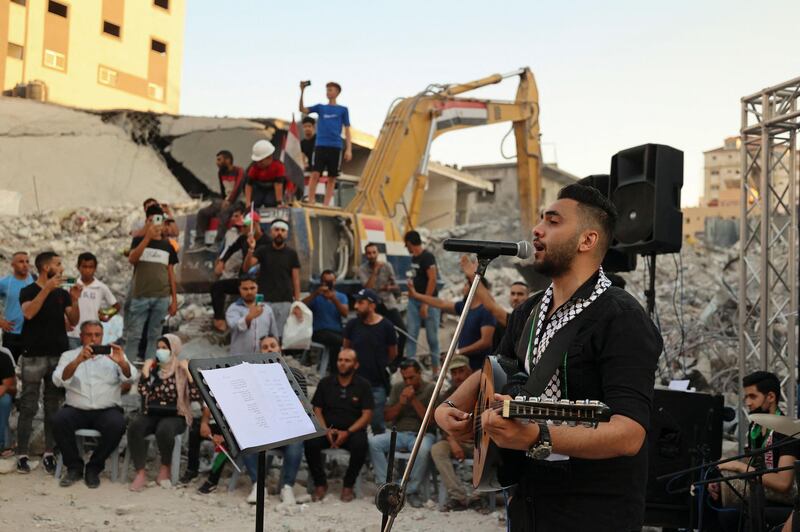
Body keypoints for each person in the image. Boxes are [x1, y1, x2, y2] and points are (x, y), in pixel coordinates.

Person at [435, 184, 662, 532]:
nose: (537, 229)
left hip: (593, 511)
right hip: (529, 501)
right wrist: (449, 406)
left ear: (587, 240)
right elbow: (498, 367)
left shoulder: (622, 317)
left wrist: (536, 436)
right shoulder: (529, 309)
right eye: (540, 219)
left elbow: (628, 434)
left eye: (553, 222)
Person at [709, 371, 800, 531]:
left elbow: (784, 483)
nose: (748, 403)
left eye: (753, 396)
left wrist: (739, 467)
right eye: (746, 397)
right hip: (760, 495)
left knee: (730, 516)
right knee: (708, 497)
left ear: (771, 397)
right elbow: (752, 466)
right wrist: (722, 483)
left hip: (782, 502)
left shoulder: (787, 431)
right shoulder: (755, 428)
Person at [17, 251, 81, 474]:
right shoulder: (28, 290)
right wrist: (47, 289)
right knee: (28, 405)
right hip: (33, 354)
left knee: (53, 405)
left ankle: (49, 453)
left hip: (57, 355)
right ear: (46, 268)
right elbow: (29, 314)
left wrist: (75, 297)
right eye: (58, 264)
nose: (62, 268)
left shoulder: (61, 294)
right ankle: (22, 454)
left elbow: (73, 320)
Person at [51, 321, 136, 488]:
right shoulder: (69, 355)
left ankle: (94, 467)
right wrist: (77, 361)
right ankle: (74, 467)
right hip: (76, 409)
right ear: (81, 337)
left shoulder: (114, 355)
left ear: (102, 337)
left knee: (117, 424)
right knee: (59, 420)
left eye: (97, 335)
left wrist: (122, 363)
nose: (94, 339)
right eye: (89, 335)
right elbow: (58, 380)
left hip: (106, 410)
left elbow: (131, 377)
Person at [241, 335, 307, 505]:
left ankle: (287, 487)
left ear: (280, 349)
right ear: (260, 352)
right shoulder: (251, 377)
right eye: (265, 347)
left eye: (273, 345)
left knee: (296, 440)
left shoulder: (296, 375)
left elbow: (302, 409)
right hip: (262, 428)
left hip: (286, 428)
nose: (269, 349)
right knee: (243, 435)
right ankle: (258, 484)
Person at [129, 334, 198, 491]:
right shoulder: (155, 369)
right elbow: (143, 391)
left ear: (173, 349)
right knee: (135, 426)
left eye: (164, 348)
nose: (160, 351)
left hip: (176, 415)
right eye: (158, 348)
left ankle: (165, 467)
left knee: (164, 429)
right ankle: (140, 472)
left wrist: (188, 372)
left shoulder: (181, 369)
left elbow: (196, 396)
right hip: (153, 412)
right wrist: (146, 372)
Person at [305, 348, 373, 502]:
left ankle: (348, 485)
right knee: (310, 442)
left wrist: (347, 432)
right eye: (340, 360)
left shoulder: (363, 385)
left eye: (347, 360)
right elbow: (317, 410)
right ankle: (320, 483)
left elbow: (367, 415)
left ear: (355, 365)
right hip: (327, 429)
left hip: (352, 431)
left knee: (361, 444)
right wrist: (324, 430)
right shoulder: (325, 383)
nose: (342, 363)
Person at [369, 359, 436, 508]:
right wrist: (401, 403)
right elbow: (387, 417)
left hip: (422, 434)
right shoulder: (398, 388)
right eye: (405, 378)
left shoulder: (430, 389)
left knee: (423, 449)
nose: (408, 381)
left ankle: (410, 490)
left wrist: (413, 400)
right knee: (374, 442)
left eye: (411, 377)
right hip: (399, 433)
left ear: (420, 374)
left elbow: (431, 421)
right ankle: (385, 487)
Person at [408, 275, 496, 372]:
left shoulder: (486, 311)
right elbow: (441, 303)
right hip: (465, 365)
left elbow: (485, 342)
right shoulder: (465, 307)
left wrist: (458, 352)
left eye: (466, 284)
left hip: (480, 367)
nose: (463, 288)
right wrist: (416, 296)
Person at [126, 204, 179, 361]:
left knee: (154, 336)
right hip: (140, 295)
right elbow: (132, 259)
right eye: (151, 220)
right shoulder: (138, 241)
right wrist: (147, 238)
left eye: (158, 220)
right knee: (134, 335)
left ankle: (149, 369)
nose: (155, 224)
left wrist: (174, 300)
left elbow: (171, 274)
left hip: (161, 297)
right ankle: (127, 370)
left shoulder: (168, 246)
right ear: (146, 222)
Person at [343, 289, 397, 434]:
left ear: (372, 305)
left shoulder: (386, 326)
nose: (356, 306)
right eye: (356, 302)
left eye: (361, 302)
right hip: (353, 385)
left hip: (376, 385)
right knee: (351, 425)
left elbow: (392, 353)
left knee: (377, 425)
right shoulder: (352, 325)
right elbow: (346, 349)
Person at [430, 354, 477, 511]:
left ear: (470, 372)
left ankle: (480, 496)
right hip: (457, 440)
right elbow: (442, 425)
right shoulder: (447, 395)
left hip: (480, 440)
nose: (458, 376)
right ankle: (458, 496)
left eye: (461, 371)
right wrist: (452, 442)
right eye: (454, 372)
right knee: (437, 449)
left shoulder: (483, 390)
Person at [210, 211, 265, 332]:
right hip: (243, 280)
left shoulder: (266, 242)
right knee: (217, 287)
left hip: (259, 282)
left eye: (244, 226)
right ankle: (219, 319)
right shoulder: (244, 238)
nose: (242, 229)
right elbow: (231, 248)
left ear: (254, 225)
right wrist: (222, 261)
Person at [299, 81, 352, 206]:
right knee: (315, 173)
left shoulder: (343, 110)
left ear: (337, 92)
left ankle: (326, 204)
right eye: (327, 90)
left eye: (331, 90)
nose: (328, 92)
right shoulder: (320, 107)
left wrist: (348, 149)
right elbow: (302, 109)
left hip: (336, 146)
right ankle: (311, 200)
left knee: (332, 177)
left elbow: (348, 129)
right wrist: (302, 91)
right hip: (321, 145)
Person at [244, 220, 301, 335]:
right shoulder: (262, 250)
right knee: (261, 334)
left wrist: (297, 304)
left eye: (282, 230)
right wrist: (250, 249)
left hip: (285, 301)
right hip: (264, 300)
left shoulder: (292, 254)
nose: (279, 233)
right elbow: (247, 268)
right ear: (271, 232)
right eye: (276, 230)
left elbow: (296, 280)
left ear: (286, 234)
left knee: (280, 336)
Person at [461, 255, 530, 349]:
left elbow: (492, 307)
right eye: (513, 294)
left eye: (520, 294)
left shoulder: (525, 320)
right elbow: (493, 304)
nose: (515, 298)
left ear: (528, 297)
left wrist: (474, 278)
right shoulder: (510, 316)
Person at [357, 242, 406, 358]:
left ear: (377, 253)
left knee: (403, 332)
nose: (372, 255)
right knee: (375, 334)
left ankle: (397, 360)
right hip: (374, 306)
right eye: (369, 253)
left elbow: (396, 286)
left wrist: (389, 287)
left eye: (374, 252)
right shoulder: (362, 269)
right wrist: (375, 272)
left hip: (388, 303)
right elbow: (368, 289)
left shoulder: (387, 266)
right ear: (366, 255)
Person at [404, 230, 441, 375]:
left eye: (407, 245)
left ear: (410, 243)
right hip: (414, 300)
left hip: (429, 302)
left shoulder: (428, 257)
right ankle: (410, 371)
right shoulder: (414, 258)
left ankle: (435, 371)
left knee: (432, 338)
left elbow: (432, 279)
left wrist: (425, 303)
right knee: (411, 335)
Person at [192, 150, 246, 249]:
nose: (217, 162)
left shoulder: (239, 171)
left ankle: (218, 242)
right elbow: (223, 190)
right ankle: (199, 241)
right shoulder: (221, 173)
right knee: (202, 213)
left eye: (219, 160)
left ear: (228, 160)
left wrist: (228, 201)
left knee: (225, 211)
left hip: (239, 201)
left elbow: (238, 188)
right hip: (227, 201)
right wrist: (223, 201)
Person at [67, 252, 120, 350]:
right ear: (78, 267)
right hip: (73, 333)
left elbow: (116, 306)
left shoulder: (101, 287)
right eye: (84, 266)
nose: (87, 270)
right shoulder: (71, 285)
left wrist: (106, 315)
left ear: (95, 268)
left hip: (92, 335)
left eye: (90, 267)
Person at [303, 269, 348, 366]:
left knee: (349, 339)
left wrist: (333, 299)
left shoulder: (341, 296)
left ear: (334, 281)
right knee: (338, 341)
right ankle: (334, 369)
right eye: (324, 281)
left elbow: (345, 313)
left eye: (329, 281)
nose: (327, 284)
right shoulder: (316, 296)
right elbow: (301, 305)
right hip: (320, 331)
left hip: (337, 331)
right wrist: (315, 294)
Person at [226, 277, 279, 355]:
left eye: (252, 288)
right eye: (245, 289)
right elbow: (235, 326)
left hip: (262, 359)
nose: (249, 292)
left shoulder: (267, 309)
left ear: (257, 287)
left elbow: (274, 334)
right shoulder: (233, 308)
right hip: (239, 359)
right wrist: (250, 316)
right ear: (239, 289)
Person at [0, 251, 35, 362]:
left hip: (32, 334)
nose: (25, 265)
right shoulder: (5, 282)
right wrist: (0, 321)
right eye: (21, 261)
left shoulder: (35, 281)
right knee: (10, 367)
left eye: (27, 261)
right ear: (12, 264)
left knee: (30, 371)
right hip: (12, 334)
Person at [245, 140, 287, 209]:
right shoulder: (254, 167)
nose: (259, 164)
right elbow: (248, 185)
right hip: (259, 187)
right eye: (257, 161)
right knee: (255, 202)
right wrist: (248, 202)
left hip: (272, 188)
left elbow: (278, 184)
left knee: (270, 202)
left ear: (269, 157)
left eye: (261, 161)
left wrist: (279, 203)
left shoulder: (278, 166)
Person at [0, 345, 17, 456]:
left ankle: (1, 444)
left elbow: (12, 388)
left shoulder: (3, 358)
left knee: (5, 400)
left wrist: (5, 388)